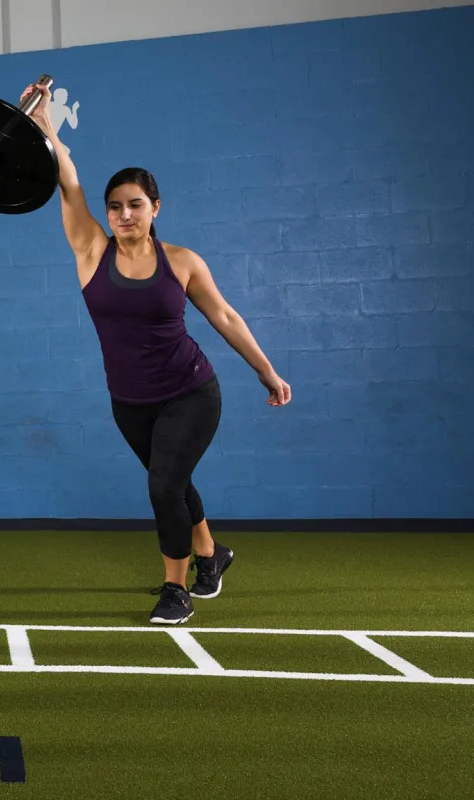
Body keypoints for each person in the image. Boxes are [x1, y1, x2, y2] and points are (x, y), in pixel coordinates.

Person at [21, 81, 292, 625]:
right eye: (115, 207)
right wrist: (43, 123)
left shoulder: (182, 261)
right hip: (130, 402)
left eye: (136, 205)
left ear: (155, 207)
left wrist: (267, 372)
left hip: (191, 391)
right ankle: (213, 557)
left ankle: (176, 589)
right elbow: (67, 181)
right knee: (174, 482)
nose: (124, 215)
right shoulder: (90, 251)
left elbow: (224, 317)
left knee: (163, 483)